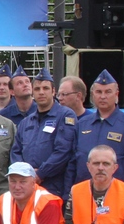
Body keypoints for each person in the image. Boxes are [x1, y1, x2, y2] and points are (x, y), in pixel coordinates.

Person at [68, 69, 124, 195]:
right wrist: (68, 195)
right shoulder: (82, 125)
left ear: (116, 94)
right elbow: (72, 163)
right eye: (99, 92)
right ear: (93, 94)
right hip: (83, 195)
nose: (103, 96)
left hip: (116, 196)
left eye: (108, 92)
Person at [9, 68, 77, 199]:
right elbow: (15, 151)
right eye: (37, 89)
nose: (41, 92)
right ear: (33, 92)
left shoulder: (65, 115)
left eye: (45, 88)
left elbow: (63, 151)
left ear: (53, 91)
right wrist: (24, 174)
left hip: (53, 187)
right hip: (27, 188)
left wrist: (40, 174)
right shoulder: (26, 122)